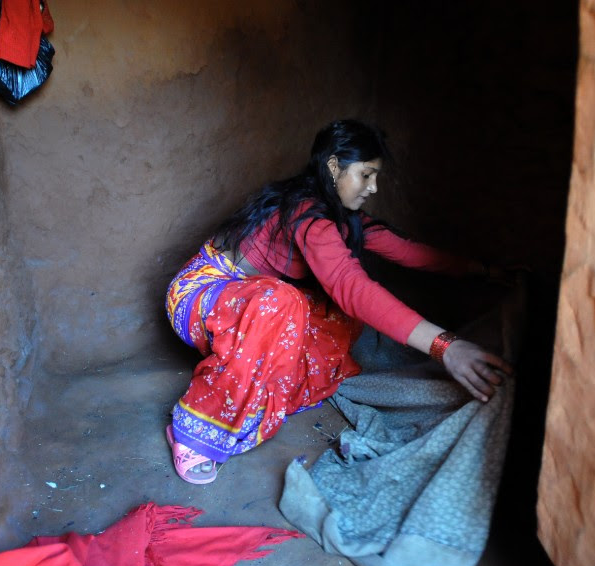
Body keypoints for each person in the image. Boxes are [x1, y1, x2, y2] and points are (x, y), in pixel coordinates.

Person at [164, 119, 513, 484]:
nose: (373, 187)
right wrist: (446, 347)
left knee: (339, 318)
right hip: (198, 299)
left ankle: (267, 388)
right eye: (366, 175)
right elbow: (352, 286)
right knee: (282, 303)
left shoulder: (341, 218)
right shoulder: (303, 213)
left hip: (246, 309)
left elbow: (408, 252)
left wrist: (483, 270)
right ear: (334, 167)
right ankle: (197, 434)